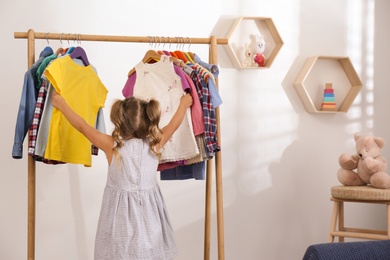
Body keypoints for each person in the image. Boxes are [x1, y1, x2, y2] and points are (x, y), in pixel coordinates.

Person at [52, 91, 193, 260]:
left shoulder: (112, 145)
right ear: (148, 120)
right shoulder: (155, 143)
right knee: (150, 252)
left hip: (119, 218)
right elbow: (174, 124)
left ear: (121, 120)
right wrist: (184, 104)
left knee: (118, 251)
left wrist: (63, 106)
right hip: (149, 216)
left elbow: (83, 127)